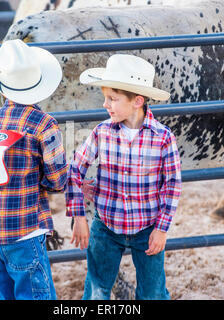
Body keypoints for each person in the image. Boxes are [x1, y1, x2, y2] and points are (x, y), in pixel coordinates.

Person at [65, 54, 182, 300]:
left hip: (147, 226)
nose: (106, 105)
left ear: (137, 101)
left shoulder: (163, 137)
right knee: (96, 290)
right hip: (106, 225)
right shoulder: (101, 132)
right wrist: (79, 215)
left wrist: (161, 229)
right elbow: (75, 170)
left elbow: (172, 185)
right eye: (106, 98)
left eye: (112, 99)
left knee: (152, 293)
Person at [0, 39, 68, 300]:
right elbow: (58, 179)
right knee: (34, 292)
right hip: (25, 228)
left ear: (3, 88)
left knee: (0, 291)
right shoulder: (45, 124)